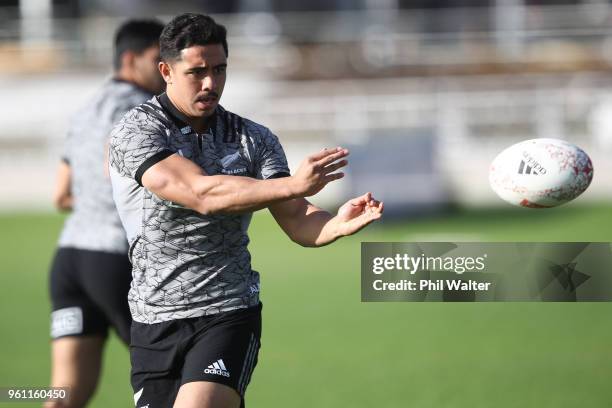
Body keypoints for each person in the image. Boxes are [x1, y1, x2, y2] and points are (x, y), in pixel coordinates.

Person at [108, 13, 383, 408]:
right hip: (154, 319)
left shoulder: (253, 138)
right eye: (197, 71)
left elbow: (297, 218)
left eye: (219, 70)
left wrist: (335, 223)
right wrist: (293, 184)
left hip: (228, 311)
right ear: (166, 70)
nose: (210, 83)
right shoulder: (137, 131)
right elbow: (198, 192)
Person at [46, 19, 165, 408]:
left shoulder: (86, 107)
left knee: (65, 393)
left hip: (70, 260)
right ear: (131, 59)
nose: (166, 69)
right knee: (175, 375)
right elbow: (112, 171)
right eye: (158, 59)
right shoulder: (138, 109)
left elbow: (61, 195)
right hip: (115, 260)